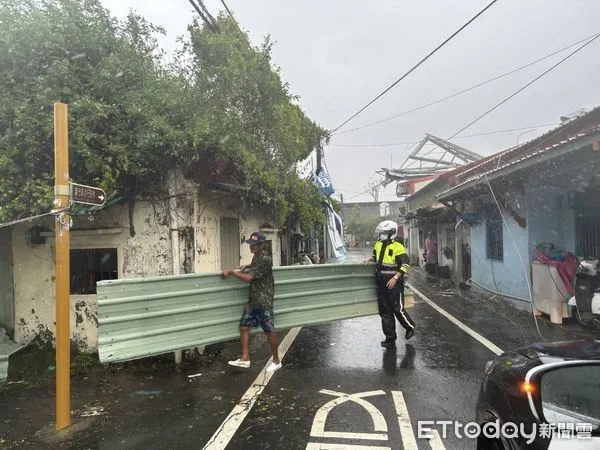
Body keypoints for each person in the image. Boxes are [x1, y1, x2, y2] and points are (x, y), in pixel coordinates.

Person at [221, 231, 282, 373]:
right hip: (254, 300)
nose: (251, 247)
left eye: (254, 245)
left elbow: (249, 278)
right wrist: (247, 266)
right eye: (250, 244)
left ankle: (276, 360)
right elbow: (255, 268)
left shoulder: (265, 259)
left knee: (269, 331)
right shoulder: (257, 257)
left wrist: (231, 272)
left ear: (261, 245)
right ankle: (245, 358)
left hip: (263, 301)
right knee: (243, 326)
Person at [363, 220, 415, 347]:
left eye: (383, 233)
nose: (381, 235)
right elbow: (377, 258)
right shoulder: (378, 244)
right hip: (381, 282)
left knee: (398, 309)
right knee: (385, 311)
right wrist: (370, 259)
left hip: (394, 283)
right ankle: (390, 338)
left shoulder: (398, 247)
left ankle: (410, 327)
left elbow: (406, 264)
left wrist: (395, 278)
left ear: (391, 233)